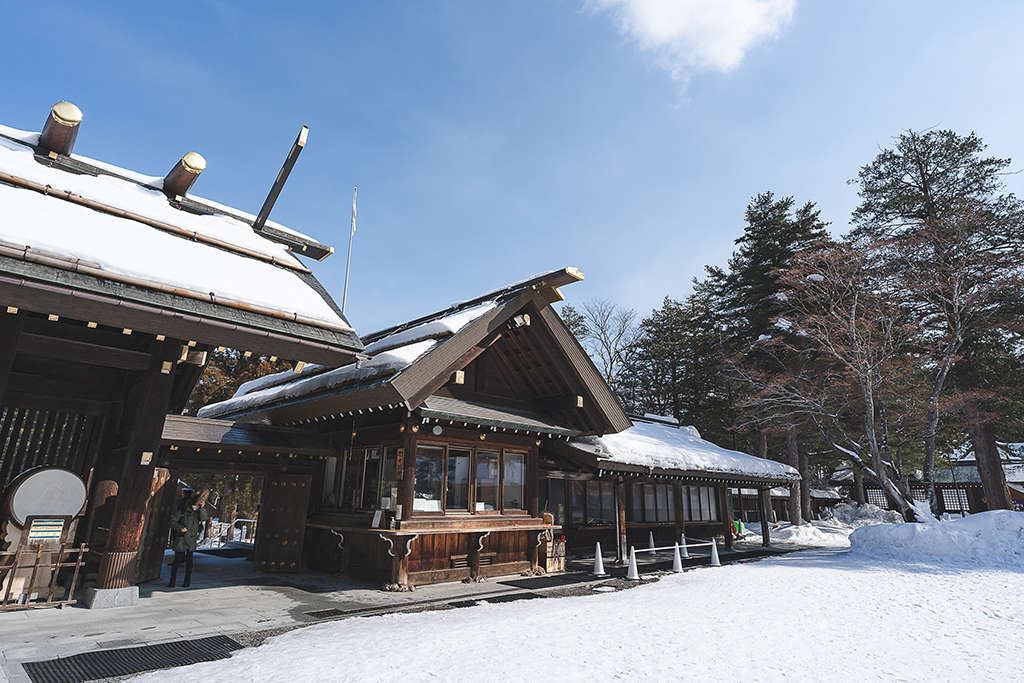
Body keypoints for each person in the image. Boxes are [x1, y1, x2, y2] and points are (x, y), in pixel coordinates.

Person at [168, 489, 209, 588]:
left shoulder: (198, 513)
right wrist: (180, 527)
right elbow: (172, 522)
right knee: (177, 561)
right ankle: (172, 580)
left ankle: (187, 581)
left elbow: (204, 518)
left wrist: (202, 508)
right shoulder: (183, 512)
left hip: (191, 540)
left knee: (189, 563)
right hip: (181, 539)